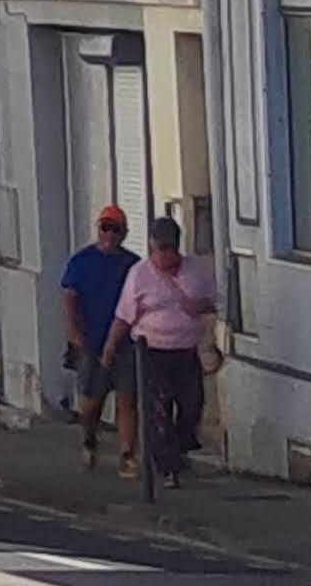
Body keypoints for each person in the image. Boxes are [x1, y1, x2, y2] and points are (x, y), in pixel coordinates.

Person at [111, 212, 222, 485]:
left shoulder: (197, 271)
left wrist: (201, 306)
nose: (166, 256)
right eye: (160, 250)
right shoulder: (139, 275)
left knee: (192, 404)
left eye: (170, 249)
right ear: (152, 247)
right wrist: (110, 348)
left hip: (185, 350)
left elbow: (216, 301)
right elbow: (124, 316)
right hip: (151, 351)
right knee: (159, 409)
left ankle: (182, 446)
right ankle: (167, 466)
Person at [56, 205, 141, 467]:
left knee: (127, 398)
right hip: (91, 340)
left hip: (125, 343)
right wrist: (73, 332)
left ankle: (127, 454)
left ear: (124, 233)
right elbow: (69, 297)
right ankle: (89, 437)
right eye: (105, 227)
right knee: (92, 400)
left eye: (115, 229)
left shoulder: (133, 264)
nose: (110, 234)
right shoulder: (81, 262)